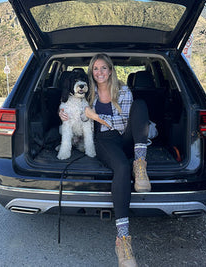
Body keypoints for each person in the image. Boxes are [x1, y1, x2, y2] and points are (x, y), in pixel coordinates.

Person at [59, 53, 151, 267]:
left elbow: (125, 123)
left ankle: (140, 164)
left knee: (141, 105)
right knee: (120, 168)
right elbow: (76, 112)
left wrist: (98, 117)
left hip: (126, 137)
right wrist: (61, 112)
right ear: (92, 72)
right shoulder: (87, 93)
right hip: (104, 141)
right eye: (95, 69)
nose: (99, 72)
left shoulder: (124, 90)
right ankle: (123, 240)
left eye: (103, 68)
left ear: (110, 70)